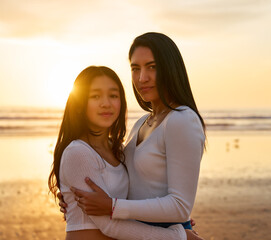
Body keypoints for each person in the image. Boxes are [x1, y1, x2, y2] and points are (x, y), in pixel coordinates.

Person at [60, 32, 206, 234]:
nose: (142, 78)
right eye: (135, 69)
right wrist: (74, 198)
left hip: (163, 233)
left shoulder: (182, 119)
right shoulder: (141, 123)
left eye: (152, 67)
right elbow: (128, 182)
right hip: (137, 232)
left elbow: (180, 206)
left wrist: (112, 206)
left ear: (171, 69)